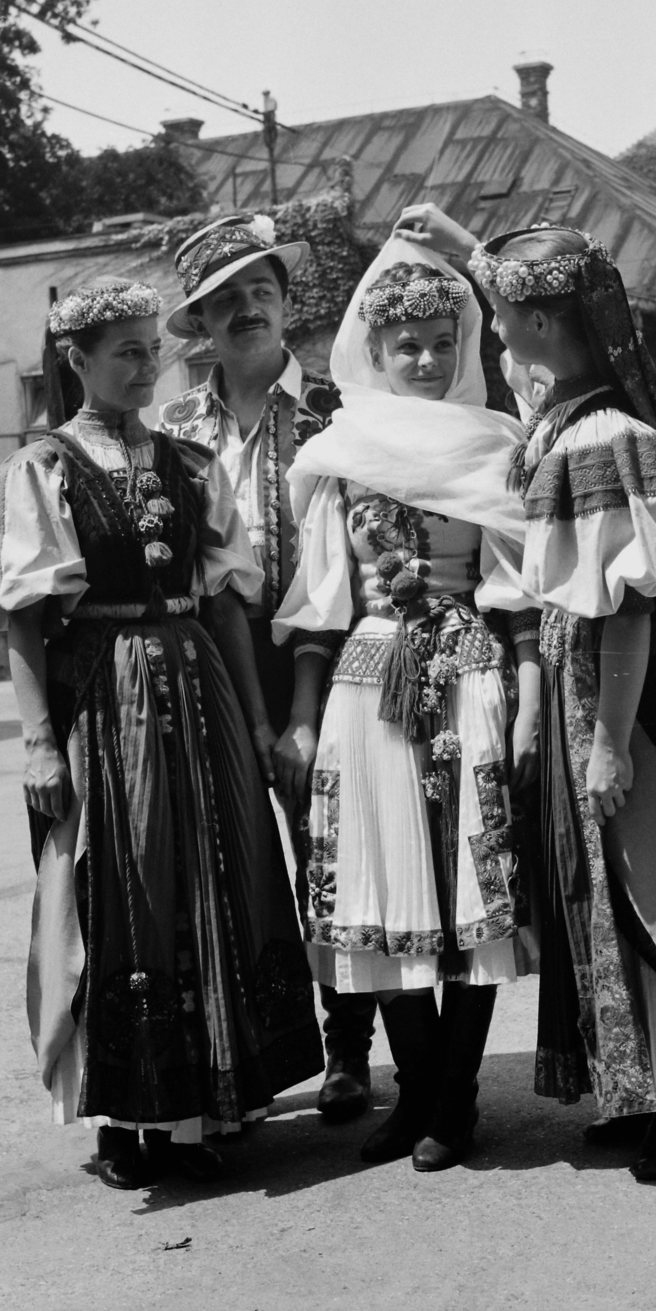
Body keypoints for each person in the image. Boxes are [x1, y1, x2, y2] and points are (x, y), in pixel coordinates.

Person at [399, 206, 656, 1182]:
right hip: (599, 688)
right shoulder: (577, 422)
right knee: (606, 890)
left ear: (540, 327)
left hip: (638, 700)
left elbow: (623, 610)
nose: (493, 340)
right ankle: (644, 1085)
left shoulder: (600, 440)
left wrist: (609, 741)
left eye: (500, 323)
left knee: (654, 881)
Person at [0, 279, 322, 1190]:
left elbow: (229, 603)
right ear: (76, 361)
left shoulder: (190, 463)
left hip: (197, 684)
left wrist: (252, 715)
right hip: (104, 692)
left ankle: (209, 1099)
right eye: (123, 352)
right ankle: (130, 1117)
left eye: (149, 349)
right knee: (123, 886)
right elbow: (22, 621)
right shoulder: (43, 468)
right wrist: (38, 742)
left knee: (212, 874)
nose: (144, 366)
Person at [273, 237, 541, 1171]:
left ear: (460, 346)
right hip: (368, 675)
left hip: (468, 668)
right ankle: (415, 1088)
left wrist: (524, 697)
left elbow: (516, 587)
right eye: (406, 347)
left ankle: (453, 1098)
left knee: (472, 885)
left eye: (439, 342)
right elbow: (319, 602)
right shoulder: (340, 449)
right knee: (381, 885)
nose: (425, 362)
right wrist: (303, 719)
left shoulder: (495, 443)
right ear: (374, 353)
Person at [158, 214, 379, 1123]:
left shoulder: (337, 409)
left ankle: (350, 1049)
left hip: (326, 659)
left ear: (289, 306)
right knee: (225, 862)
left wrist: (304, 706)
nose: (246, 310)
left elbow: (360, 561)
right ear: (203, 325)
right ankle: (240, 1058)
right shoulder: (171, 427)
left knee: (332, 855)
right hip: (213, 665)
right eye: (225, 301)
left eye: (262, 292)